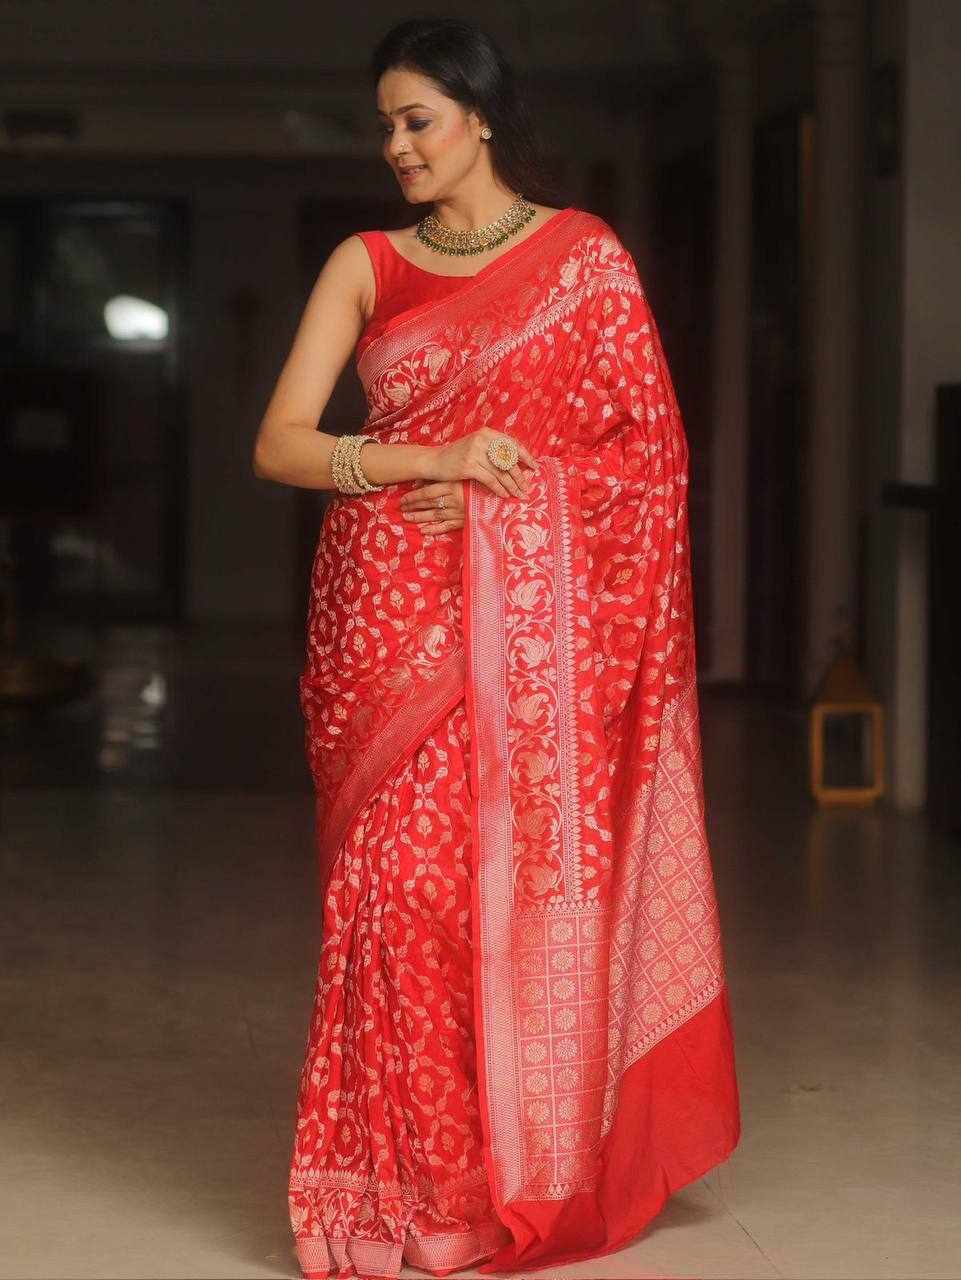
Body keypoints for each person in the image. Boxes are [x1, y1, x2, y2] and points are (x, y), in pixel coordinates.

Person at [252, 16, 741, 1280]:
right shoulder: (366, 263)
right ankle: (393, 1190)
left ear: (479, 116)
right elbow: (283, 442)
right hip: (384, 617)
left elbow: (647, 461)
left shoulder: (585, 262)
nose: (396, 145)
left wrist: (501, 507)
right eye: (384, 125)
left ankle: (492, 1180)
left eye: (416, 119)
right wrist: (432, 455)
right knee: (392, 901)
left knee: (489, 899)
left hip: (528, 636)